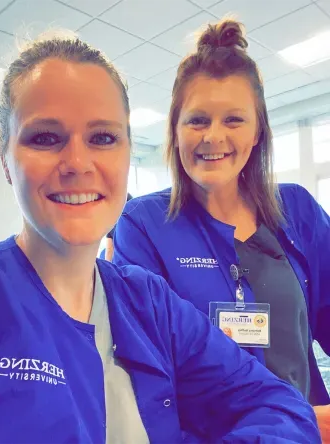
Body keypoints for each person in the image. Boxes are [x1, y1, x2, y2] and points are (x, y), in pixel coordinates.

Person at [0, 32, 321, 444]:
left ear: (127, 153)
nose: (78, 163)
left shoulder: (149, 305)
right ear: (5, 159)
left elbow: (280, 406)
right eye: (45, 137)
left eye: (103, 138)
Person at [113, 19, 330, 441]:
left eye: (234, 119)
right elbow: (150, 379)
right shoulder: (143, 226)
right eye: (197, 120)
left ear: (257, 130)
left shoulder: (297, 210)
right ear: (175, 130)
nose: (214, 137)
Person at [105, 192, 132, 261]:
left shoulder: (111, 225)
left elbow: (109, 250)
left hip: (121, 264)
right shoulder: (136, 224)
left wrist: (107, 268)